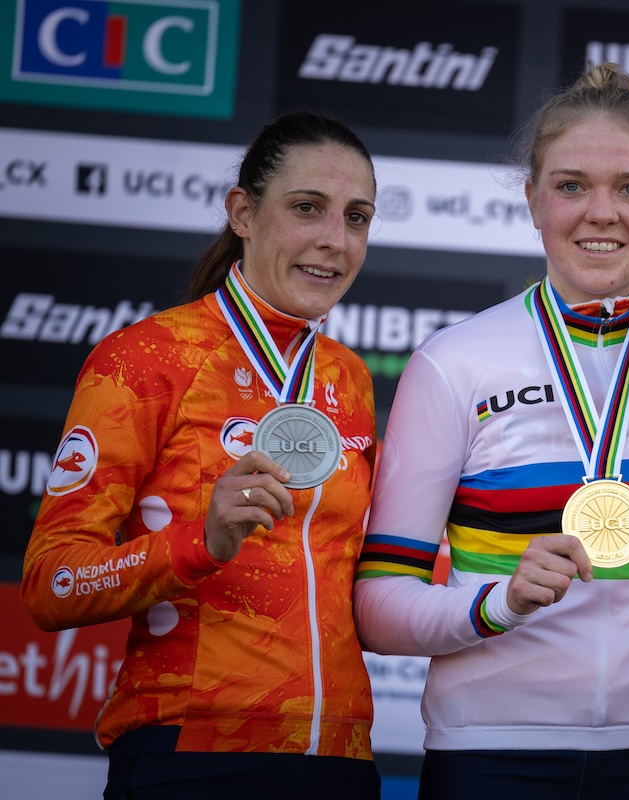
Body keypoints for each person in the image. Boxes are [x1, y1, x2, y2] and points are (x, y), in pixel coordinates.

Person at [353, 62, 629, 799]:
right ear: (531, 199)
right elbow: (378, 606)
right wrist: (500, 603)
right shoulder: (454, 362)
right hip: (487, 754)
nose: (602, 213)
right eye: (571, 186)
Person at [21, 110, 381, 800]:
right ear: (242, 213)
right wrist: (199, 542)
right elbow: (50, 582)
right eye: (307, 208)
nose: (335, 240)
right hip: (191, 751)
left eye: (356, 217)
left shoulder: (349, 379)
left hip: (339, 755)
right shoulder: (145, 359)